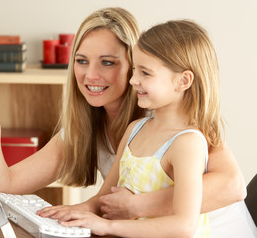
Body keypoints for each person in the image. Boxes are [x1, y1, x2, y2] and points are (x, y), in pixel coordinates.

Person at [0, 7, 245, 223]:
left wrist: (135, 206)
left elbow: (232, 185)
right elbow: (4, 186)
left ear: (135, 65)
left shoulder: (169, 117)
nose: (90, 75)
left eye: (107, 62)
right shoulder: (86, 126)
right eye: (82, 61)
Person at [39, 19, 255, 237]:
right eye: (134, 70)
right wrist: (74, 214)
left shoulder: (187, 144)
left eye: (145, 73)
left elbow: (183, 227)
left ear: (183, 81)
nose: (133, 80)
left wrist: (107, 226)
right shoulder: (135, 129)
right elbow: (104, 201)